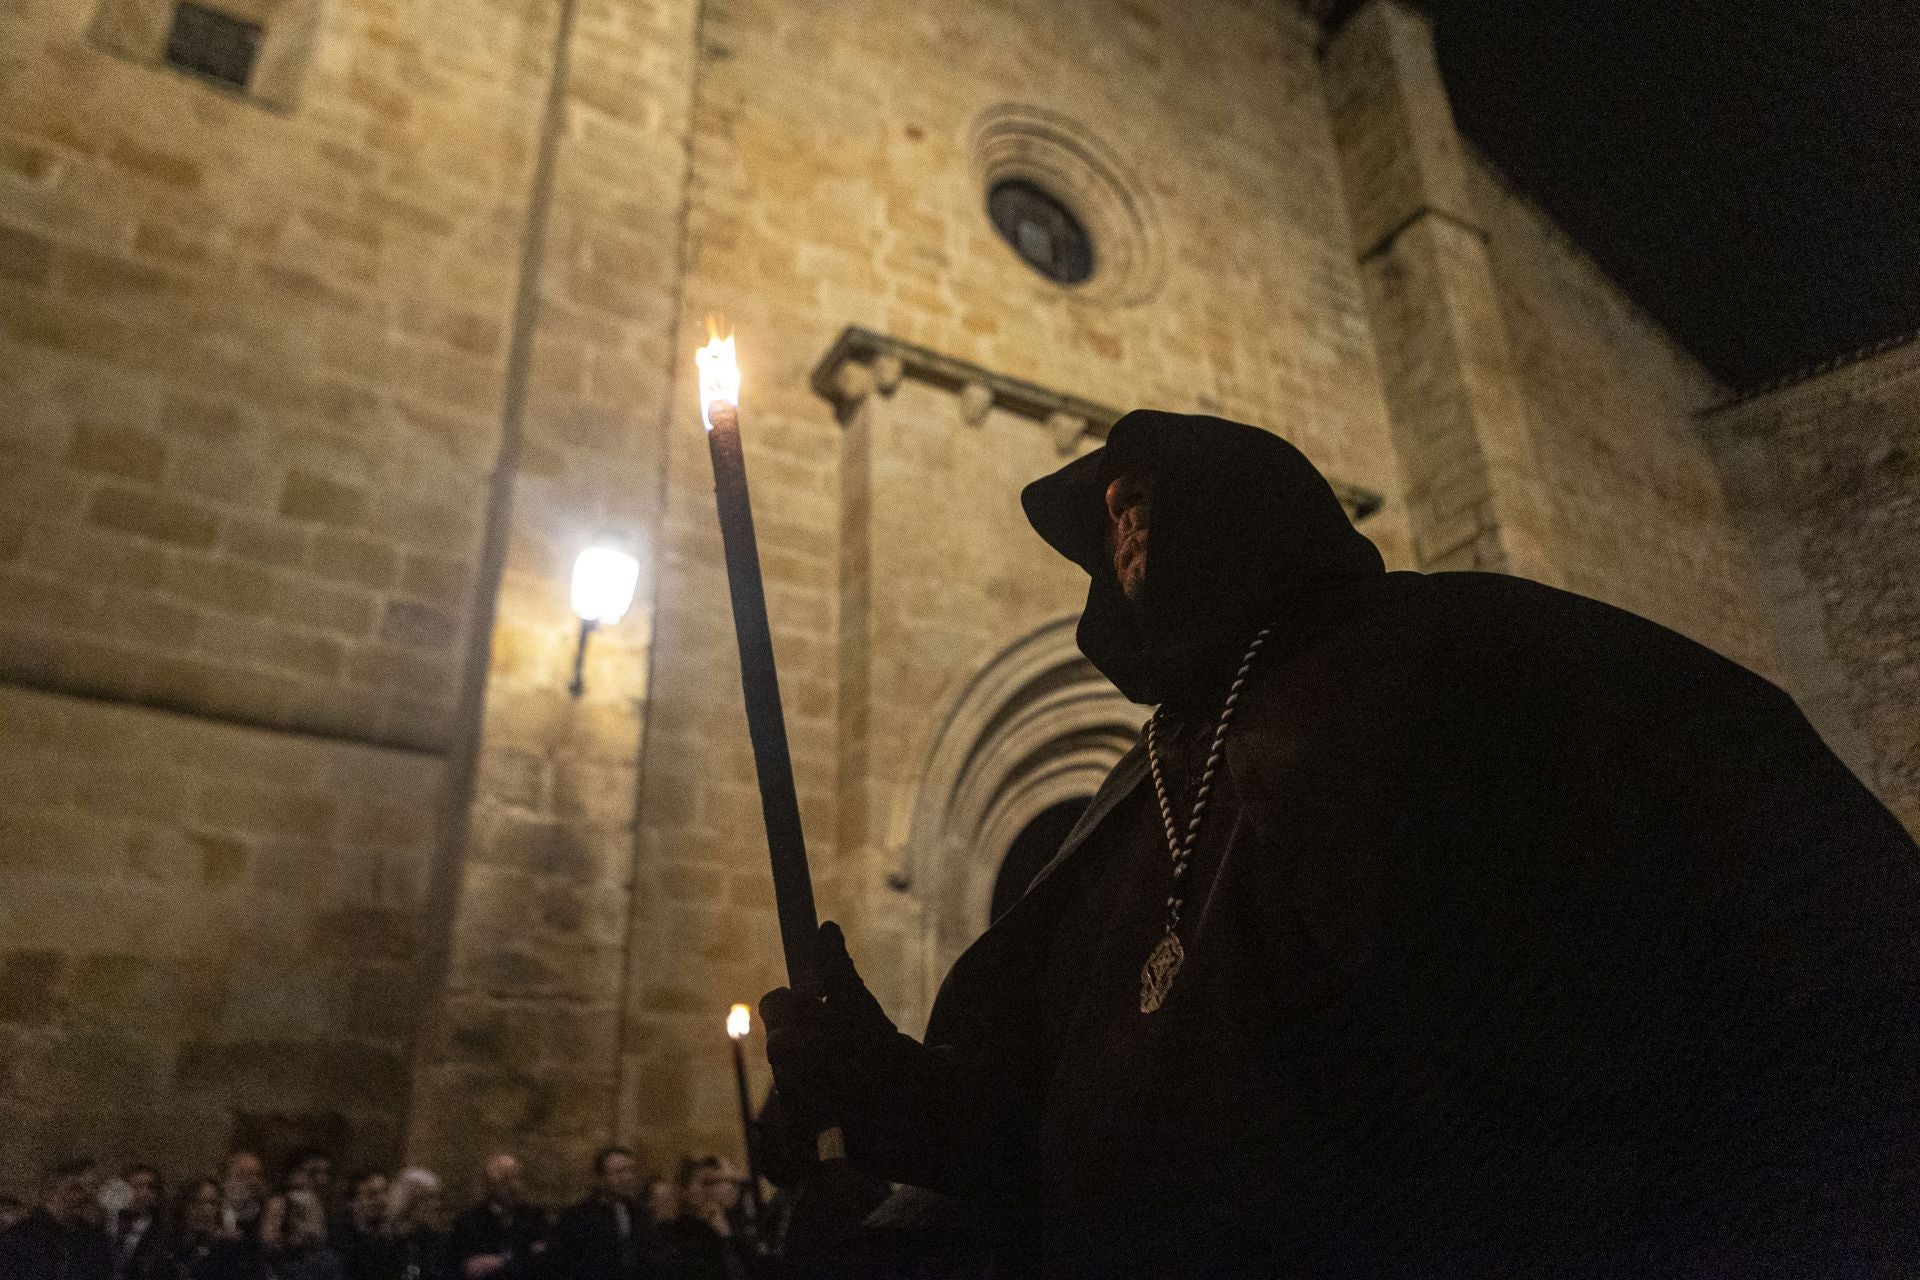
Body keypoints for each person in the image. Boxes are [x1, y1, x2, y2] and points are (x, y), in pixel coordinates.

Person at [760, 409, 1920, 1276]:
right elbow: (1051, 1132)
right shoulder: (1140, 779)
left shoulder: (1471, 656)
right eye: (1111, 518)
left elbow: (1792, 947)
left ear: (1243, 507)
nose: (1125, 536)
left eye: (1143, 503)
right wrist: (885, 1079)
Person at [0, 1156, 114, 1280]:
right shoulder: (19, 1238)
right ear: (52, 1187)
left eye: (92, 1187)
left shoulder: (93, 1238)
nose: (85, 1196)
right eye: (76, 1188)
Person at [550, 1146, 651, 1280]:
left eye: (630, 1170)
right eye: (619, 1172)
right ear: (601, 1178)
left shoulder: (640, 1212)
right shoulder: (580, 1216)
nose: (627, 1177)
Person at [446, 1155, 547, 1279]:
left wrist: (502, 1261)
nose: (513, 1185)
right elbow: (464, 1262)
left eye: (516, 1177)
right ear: (489, 1184)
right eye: (505, 1180)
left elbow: (543, 1257)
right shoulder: (469, 1220)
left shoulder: (535, 1216)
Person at [654, 1159, 748, 1280]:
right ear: (684, 1190)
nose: (711, 1190)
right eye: (704, 1183)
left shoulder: (731, 1219)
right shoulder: (674, 1231)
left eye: (715, 1183)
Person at [171, 1178, 256, 1280]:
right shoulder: (168, 1248)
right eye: (197, 1202)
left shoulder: (230, 1251)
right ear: (184, 1206)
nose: (205, 1211)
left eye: (212, 1203)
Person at [384, 1168, 449, 1280]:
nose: (436, 1204)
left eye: (436, 1198)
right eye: (428, 1198)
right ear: (408, 1202)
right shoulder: (387, 1239)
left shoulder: (436, 1239)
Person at [335, 1170, 399, 1280]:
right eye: (371, 1194)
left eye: (385, 1192)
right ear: (352, 1202)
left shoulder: (393, 1239)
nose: (381, 1200)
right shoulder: (340, 1239)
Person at [108, 1164, 168, 1280]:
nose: (143, 1193)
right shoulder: (104, 1223)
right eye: (136, 1187)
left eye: (150, 1188)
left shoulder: (162, 1234)